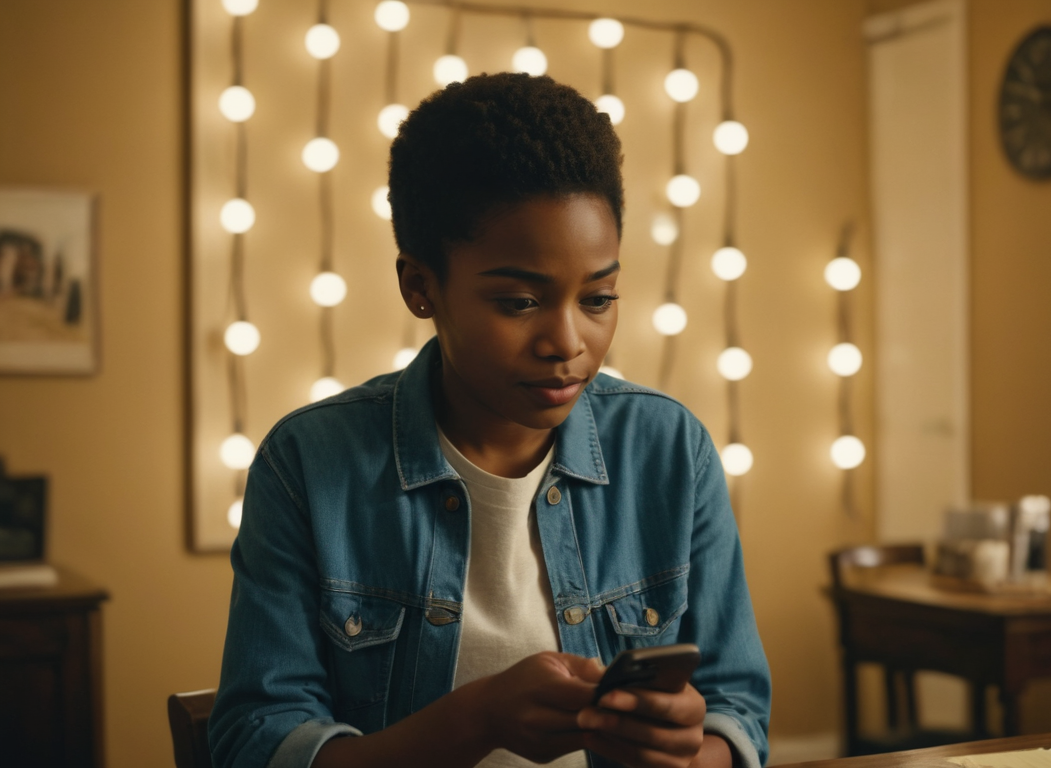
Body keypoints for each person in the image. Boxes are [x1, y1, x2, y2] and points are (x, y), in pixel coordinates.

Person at [207, 72, 771, 768]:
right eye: (519, 302)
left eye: (597, 299)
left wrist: (686, 754)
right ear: (421, 286)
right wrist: (475, 721)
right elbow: (255, 747)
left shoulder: (669, 451)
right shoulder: (309, 465)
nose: (567, 343)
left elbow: (736, 710)